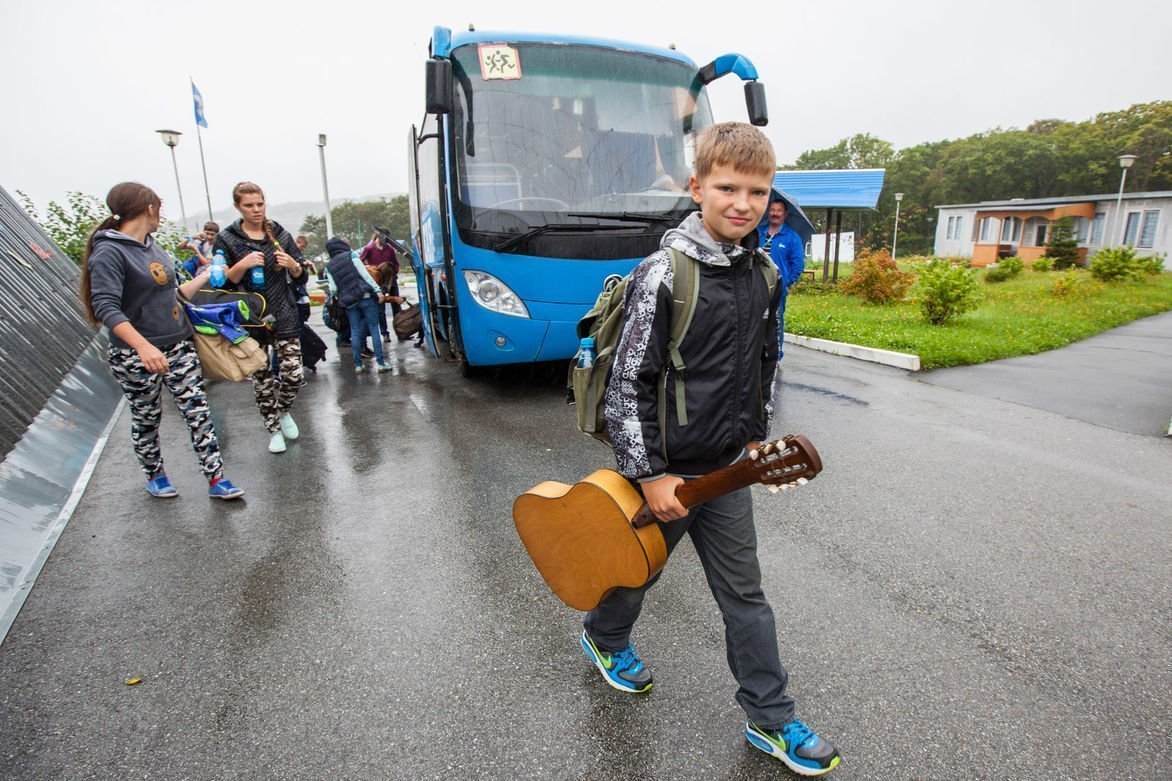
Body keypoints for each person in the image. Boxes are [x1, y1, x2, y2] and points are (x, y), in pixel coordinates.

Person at [582, 123, 840, 776]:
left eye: (758, 190)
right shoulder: (663, 273)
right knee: (639, 568)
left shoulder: (764, 272)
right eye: (727, 186)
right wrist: (649, 476)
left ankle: (771, 718)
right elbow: (627, 383)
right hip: (669, 473)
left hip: (725, 472)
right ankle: (604, 635)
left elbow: (762, 363)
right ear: (697, 187)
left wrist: (753, 437)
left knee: (745, 597)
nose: (743, 202)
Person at [80, 182, 244, 500]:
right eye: (160, 209)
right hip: (135, 354)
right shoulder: (109, 252)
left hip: (178, 343)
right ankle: (155, 474)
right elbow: (105, 307)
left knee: (198, 411)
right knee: (146, 415)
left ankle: (217, 479)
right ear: (150, 208)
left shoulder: (153, 247)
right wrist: (142, 346)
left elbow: (174, 296)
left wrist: (207, 276)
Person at [212, 182, 310, 454]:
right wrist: (241, 265)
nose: (256, 209)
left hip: (284, 312)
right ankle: (273, 430)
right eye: (249, 205)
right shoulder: (227, 239)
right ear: (238, 207)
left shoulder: (280, 234)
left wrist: (293, 266)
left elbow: (303, 277)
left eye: (260, 203)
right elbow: (221, 284)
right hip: (249, 318)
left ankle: (283, 410)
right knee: (262, 378)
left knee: (293, 373)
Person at [325, 236, 401, 373]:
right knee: (373, 328)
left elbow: (333, 289)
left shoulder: (329, 267)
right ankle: (380, 363)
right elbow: (365, 275)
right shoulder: (351, 255)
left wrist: (342, 294)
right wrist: (378, 291)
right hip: (365, 297)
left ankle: (358, 365)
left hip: (349, 303)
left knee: (355, 332)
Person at [757, 198, 805, 359]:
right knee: (754, 320)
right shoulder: (758, 232)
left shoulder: (792, 237)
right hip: (755, 286)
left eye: (778, 210)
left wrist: (784, 283)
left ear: (785, 214)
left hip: (777, 288)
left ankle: (775, 355)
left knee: (775, 323)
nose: (774, 213)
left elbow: (797, 266)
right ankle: (756, 353)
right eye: (772, 210)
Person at [359, 229, 400, 339]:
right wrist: (370, 271)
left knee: (396, 305)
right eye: (384, 238)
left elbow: (396, 264)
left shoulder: (390, 249)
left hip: (391, 280)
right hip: (378, 282)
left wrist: (392, 273)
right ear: (378, 236)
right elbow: (360, 262)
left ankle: (400, 330)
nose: (386, 241)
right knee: (381, 309)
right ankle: (385, 333)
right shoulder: (369, 249)